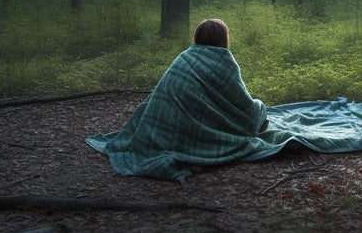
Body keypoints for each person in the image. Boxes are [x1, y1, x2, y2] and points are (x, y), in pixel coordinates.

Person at [85, 18, 269, 180]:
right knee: (258, 110)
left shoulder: (185, 56)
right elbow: (241, 102)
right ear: (223, 39)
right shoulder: (224, 61)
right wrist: (258, 111)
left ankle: (188, 155)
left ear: (198, 37)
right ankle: (194, 154)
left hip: (166, 126)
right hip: (194, 126)